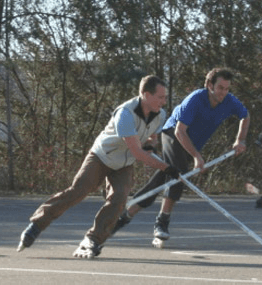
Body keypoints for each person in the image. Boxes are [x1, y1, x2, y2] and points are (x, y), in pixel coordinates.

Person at [17, 75, 176, 259]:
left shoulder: (160, 115)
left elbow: (151, 138)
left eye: (165, 97)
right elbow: (138, 152)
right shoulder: (125, 113)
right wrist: (166, 168)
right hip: (102, 156)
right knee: (79, 190)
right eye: (160, 97)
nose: (164, 101)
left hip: (124, 163)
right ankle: (36, 225)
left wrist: (150, 143)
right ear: (146, 95)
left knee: (119, 199)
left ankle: (93, 240)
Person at [112, 67, 249, 246]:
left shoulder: (230, 101)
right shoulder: (196, 100)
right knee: (179, 173)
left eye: (226, 88)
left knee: (163, 177)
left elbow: (245, 116)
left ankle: (127, 214)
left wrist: (240, 140)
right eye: (220, 87)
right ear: (209, 85)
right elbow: (180, 131)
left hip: (189, 143)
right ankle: (162, 222)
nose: (223, 92)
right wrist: (197, 157)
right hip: (172, 134)